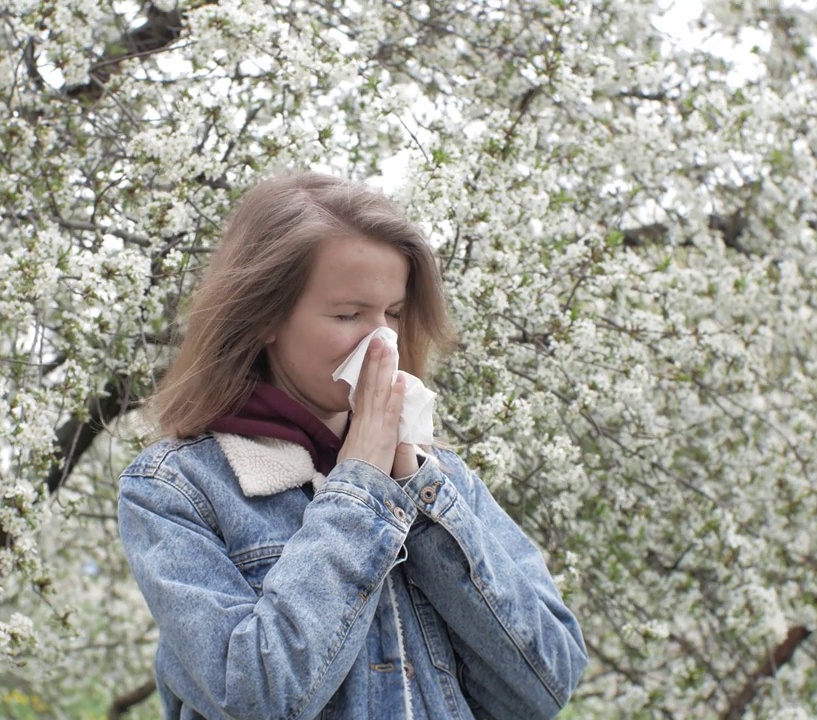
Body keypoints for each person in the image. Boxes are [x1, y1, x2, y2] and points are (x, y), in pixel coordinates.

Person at [118, 172, 586, 719]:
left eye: (393, 314)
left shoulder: (442, 481)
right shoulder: (177, 490)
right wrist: (361, 485)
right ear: (264, 316)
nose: (382, 341)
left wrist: (416, 492)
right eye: (348, 315)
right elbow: (256, 699)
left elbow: (546, 685)